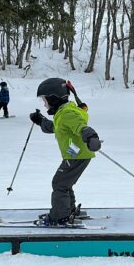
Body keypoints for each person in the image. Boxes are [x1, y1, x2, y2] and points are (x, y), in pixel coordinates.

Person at [29, 78, 102, 226]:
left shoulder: (68, 113)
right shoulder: (63, 112)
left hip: (77, 155)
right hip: (75, 154)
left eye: (44, 100)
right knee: (64, 183)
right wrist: (41, 121)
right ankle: (67, 210)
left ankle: (60, 216)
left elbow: (81, 127)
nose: (44, 104)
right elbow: (57, 127)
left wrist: (91, 137)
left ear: (53, 98)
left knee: (59, 183)